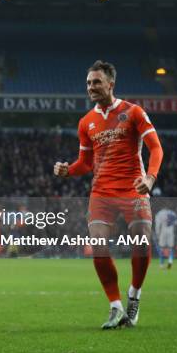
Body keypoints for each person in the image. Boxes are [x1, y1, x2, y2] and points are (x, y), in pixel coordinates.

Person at [54, 60, 163, 329]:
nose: (91, 87)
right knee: (99, 247)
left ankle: (134, 295)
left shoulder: (133, 112)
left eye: (96, 82)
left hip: (132, 189)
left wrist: (150, 178)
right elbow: (86, 164)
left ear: (110, 84)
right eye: (89, 83)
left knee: (141, 242)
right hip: (101, 192)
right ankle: (115, 306)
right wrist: (68, 170)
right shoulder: (86, 122)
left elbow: (156, 148)